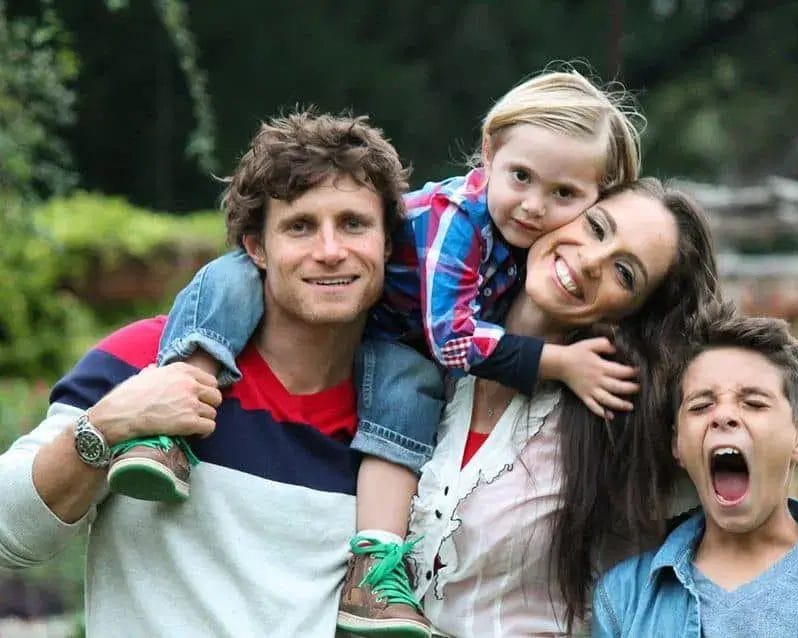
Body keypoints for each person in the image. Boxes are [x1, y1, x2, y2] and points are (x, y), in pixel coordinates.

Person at [113, 69, 647, 636]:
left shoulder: (529, 249)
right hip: (350, 304)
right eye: (521, 177)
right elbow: (454, 339)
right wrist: (558, 363)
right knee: (234, 278)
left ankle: (372, 570)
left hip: (389, 337)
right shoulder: (460, 221)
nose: (535, 206)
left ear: (596, 200)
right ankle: (168, 426)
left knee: (409, 392)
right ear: (489, 153)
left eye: (564, 194)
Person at [0, 110, 411, 636]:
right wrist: (105, 427)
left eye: (353, 224)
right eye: (300, 226)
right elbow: (11, 534)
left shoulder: (404, 422)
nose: (330, 251)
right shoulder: (146, 357)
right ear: (256, 247)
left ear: (388, 243)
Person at [407, 177, 721, 636]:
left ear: (632, 311)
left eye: (625, 273)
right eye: (596, 227)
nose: (592, 261)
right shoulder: (427, 346)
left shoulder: (616, 427)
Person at [592, 311, 798, 637]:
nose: (723, 416)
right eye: (700, 405)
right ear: (677, 444)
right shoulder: (623, 601)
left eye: (753, 403)